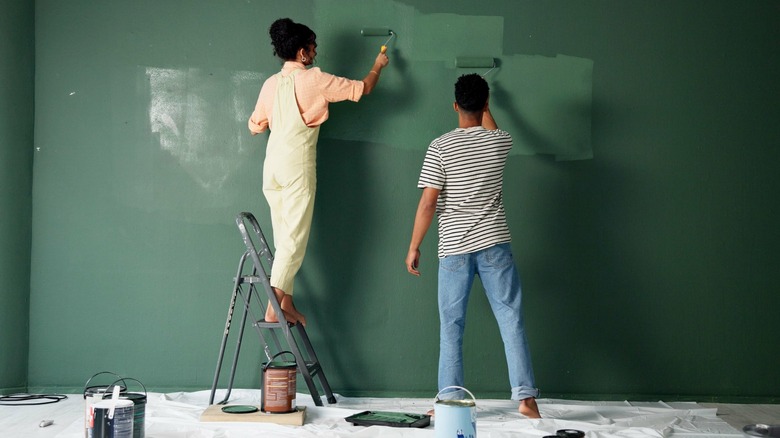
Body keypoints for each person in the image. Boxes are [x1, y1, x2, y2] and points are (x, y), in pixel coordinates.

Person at [405, 73, 541, 418]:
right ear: (484, 105)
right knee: (512, 320)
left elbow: (427, 204)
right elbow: (491, 130)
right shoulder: (500, 141)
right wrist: (487, 107)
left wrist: (414, 245)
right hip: (495, 244)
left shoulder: (440, 146)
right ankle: (526, 400)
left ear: (454, 106)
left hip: (454, 249)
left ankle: (450, 403)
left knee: (451, 328)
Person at [249, 18, 389, 326]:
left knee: (285, 238)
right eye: (312, 48)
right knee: (293, 241)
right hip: (297, 167)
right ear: (301, 53)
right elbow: (363, 88)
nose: (315, 53)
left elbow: (255, 125)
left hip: (272, 168)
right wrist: (378, 64)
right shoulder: (314, 79)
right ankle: (274, 305)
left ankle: (286, 303)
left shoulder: (270, 84)